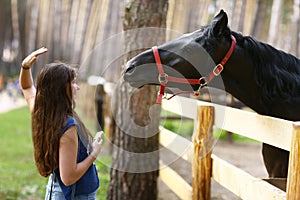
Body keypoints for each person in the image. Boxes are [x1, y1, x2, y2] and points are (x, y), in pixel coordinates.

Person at [19, 47, 103, 200]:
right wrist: (94, 153)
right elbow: (69, 177)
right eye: (72, 82)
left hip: (58, 192)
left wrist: (25, 67)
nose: (77, 87)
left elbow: (26, 87)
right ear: (60, 89)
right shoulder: (68, 127)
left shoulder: (42, 114)